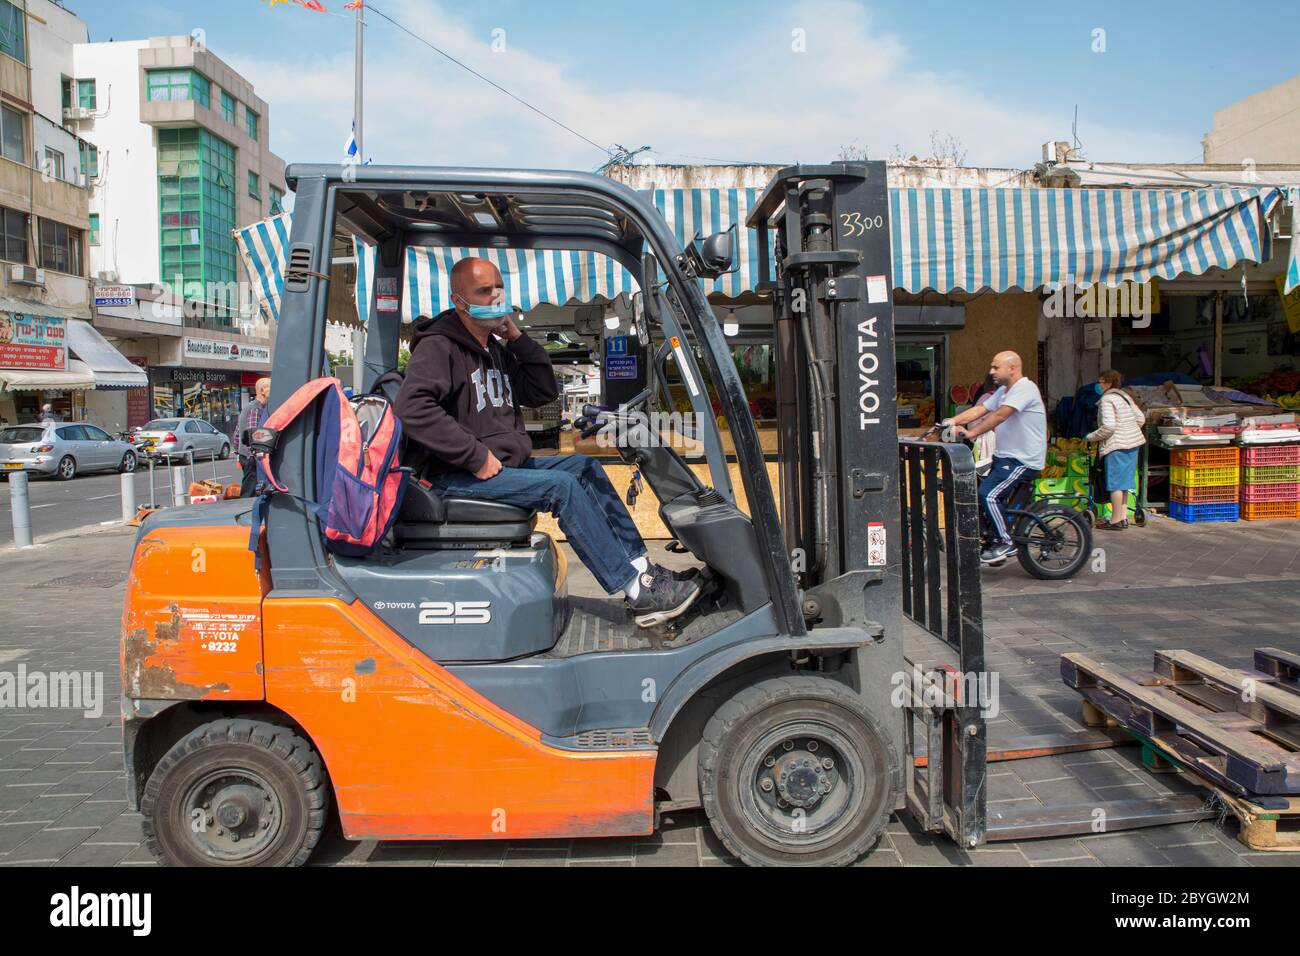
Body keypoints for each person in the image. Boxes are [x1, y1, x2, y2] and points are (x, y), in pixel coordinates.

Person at [395, 257, 702, 627]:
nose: (495, 297)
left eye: (498, 287)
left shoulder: (495, 349)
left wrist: (518, 339)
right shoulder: (439, 347)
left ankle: (641, 569)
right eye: (483, 291)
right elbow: (412, 408)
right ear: (460, 301)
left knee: (584, 467)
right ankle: (636, 591)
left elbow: (541, 391)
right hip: (457, 475)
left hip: (503, 467)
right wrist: (474, 455)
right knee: (564, 488)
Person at [941, 351, 1047, 564]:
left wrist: (971, 433)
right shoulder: (1004, 391)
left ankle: (1004, 542)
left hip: (1023, 460)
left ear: (1012, 368)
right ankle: (990, 538)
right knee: (977, 491)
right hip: (1005, 457)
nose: (991, 372)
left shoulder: (1025, 388)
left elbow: (1000, 415)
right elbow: (980, 409)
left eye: (995, 367)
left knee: (988, 494)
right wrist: (952, 420)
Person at [1087, 369, 1145, 530]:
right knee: (1125, 483)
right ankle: (1123, 517)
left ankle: (1115, 520)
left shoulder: (1107, 400)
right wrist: (1129, 431)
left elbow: (1109, 426)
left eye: (1100, 382)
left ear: (1107, 383)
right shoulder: (1124, 396)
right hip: (1133, 444)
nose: (1098, 385)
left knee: (1115, 485)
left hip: (1116, 445)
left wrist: (1091, 437)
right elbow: (1140, 418)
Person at [236, 377, 271, 497]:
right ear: (262, 391)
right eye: (270, 387)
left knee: (250, 488)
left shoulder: (250, 407)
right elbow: (254, 436)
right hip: (251, 457)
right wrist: (254, 456)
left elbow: (237, 433)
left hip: (246, 455)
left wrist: (239, 452)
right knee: (249, 491)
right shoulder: (256, 409)